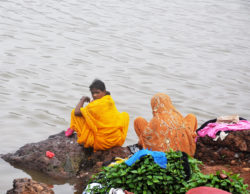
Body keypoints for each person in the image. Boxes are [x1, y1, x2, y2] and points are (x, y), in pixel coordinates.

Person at [66, 79, 129, 151]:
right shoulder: (109, 100)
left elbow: (76, 112)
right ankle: (72, 127)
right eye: (93, 93)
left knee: (74, 112)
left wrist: (82, 99)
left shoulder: (96, 105)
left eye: (97, 92)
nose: (94, 95)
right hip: (116, 140)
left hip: (103, 143)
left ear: (104, 91)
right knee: (125, 115)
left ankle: (72, 128)